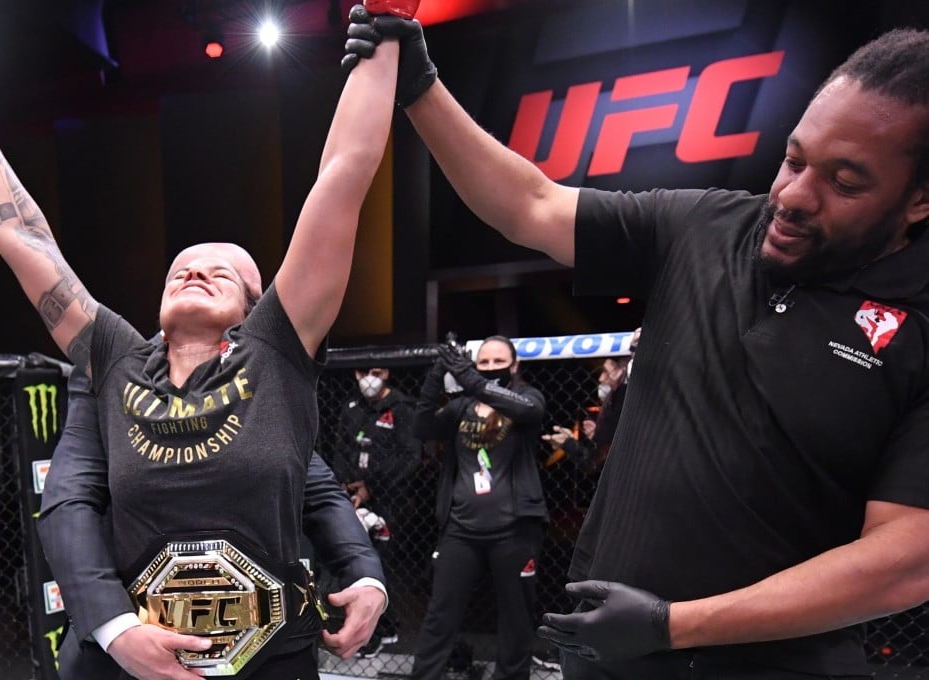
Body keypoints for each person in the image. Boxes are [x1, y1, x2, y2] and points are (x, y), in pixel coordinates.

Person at [345, 14, 929, 680]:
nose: (794, 196)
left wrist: (672, 627)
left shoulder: (919, 325)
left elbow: (909, 555)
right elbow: (529, 205)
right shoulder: (706, 227)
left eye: (845, 183)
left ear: (919, 201)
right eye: (794, 159)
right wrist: (419, 82)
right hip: (609, 657)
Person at [0, 8, 401, 679]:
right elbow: (22, 237)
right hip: (134, 656)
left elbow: (344, 177)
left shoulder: (277, 355)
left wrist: (389, 31)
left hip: (268, 658)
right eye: (181, 268)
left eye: (221, 269)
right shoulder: (114, 359)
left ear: (255, 311)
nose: (195, 269)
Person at [39, 364, 390, 677]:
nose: (198, 285)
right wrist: (115, 627)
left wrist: (364, 575)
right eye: (175, 283)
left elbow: (318, 489)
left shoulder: (263, 378)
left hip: (272, 655)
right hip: (129, 653)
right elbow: (70, 499)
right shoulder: (110, 369)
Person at [410, 336, 548, 680]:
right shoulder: (462, 407)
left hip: (514, 529)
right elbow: (422, 425)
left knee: (516, 617)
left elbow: (527, 410)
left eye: (497, 362)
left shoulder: (527, 399)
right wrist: (437, 373)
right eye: (482, 362)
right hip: (461, 528)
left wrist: (469, 376)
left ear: (514, 365)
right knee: (440, 614)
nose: (489, 369)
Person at [331, 366, 422, 658]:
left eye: (376, 371)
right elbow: (340, 449)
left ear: (387, 373)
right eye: (361, 372)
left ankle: (383, 629)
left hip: (389, 500)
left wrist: (372, 486)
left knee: (383, 565)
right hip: (352, 497)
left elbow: (410, 457)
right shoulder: (351, 407)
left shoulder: (402, 407)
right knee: (352, 563)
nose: (368, 378)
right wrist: (348, 485)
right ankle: (364, 628)